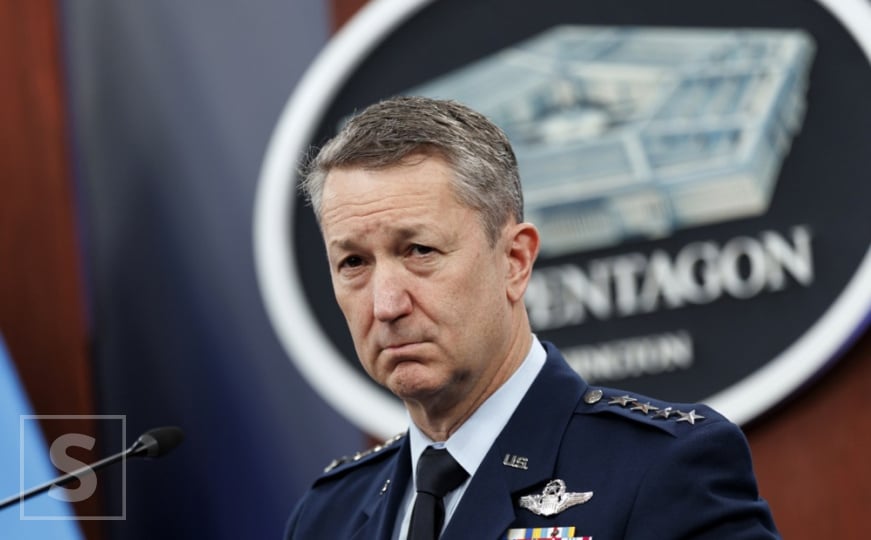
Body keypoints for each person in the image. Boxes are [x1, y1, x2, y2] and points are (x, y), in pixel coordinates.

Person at [285, 96, 779, 539]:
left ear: (515, 261)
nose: (386, 304)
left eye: (419, 250)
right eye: (354, 262)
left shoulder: (661, 468)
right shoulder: (327, 514)